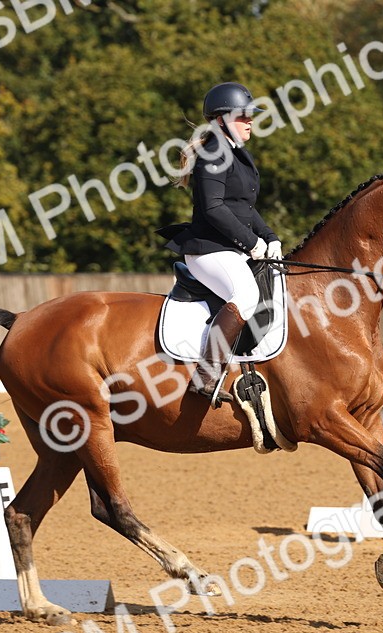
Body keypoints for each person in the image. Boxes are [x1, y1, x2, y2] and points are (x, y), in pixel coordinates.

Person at [161, 82, 283, 406]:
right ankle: (206, 375)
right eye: (242, 116)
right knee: (246, 295)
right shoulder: (213, 153)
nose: (250, 121)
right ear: (220, 120)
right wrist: (251, 242)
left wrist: (269, 237)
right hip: (208, 249)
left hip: (230, 248)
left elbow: (245, 208)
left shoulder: (239, 155)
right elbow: (214, 208)